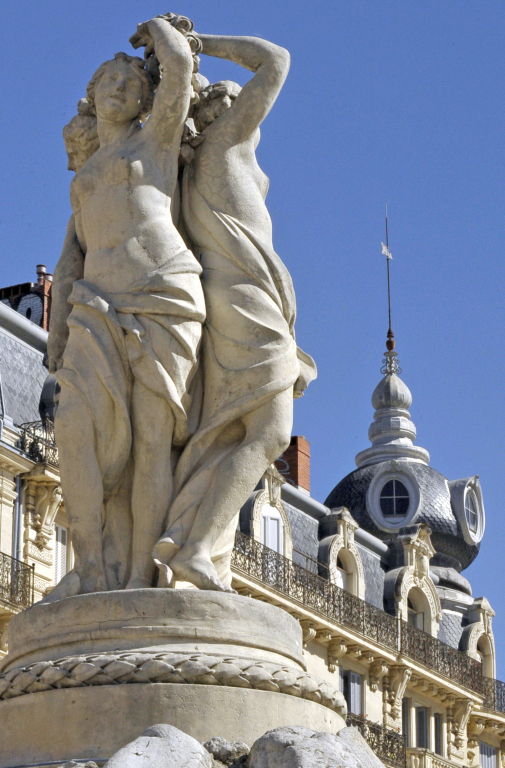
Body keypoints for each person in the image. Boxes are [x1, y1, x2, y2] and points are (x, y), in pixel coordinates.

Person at [152, 33, 316, 592]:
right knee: (271, 432)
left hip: (241, 296)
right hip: (245, 299)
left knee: (226, 433)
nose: (244, 108)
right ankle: (197, 546)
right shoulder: (224, 146)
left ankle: (189, 538)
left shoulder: (217, 163)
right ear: (216, 114)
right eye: (228, 100)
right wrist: (201, 43)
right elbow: (276, 60)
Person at [47, 17, 204, 595]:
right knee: (72, 427)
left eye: (129, 82)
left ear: (145, 100)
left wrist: (161, 33)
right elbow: (69, 260)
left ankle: (140, 575)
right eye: (107, 80)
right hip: (95, 305)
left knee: (149, 442)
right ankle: (90, 566)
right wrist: (56, 342)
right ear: (91, 96)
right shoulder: (82, 177)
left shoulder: (155, 142)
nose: (118, 87)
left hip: (164, 292)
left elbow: (181, 73)